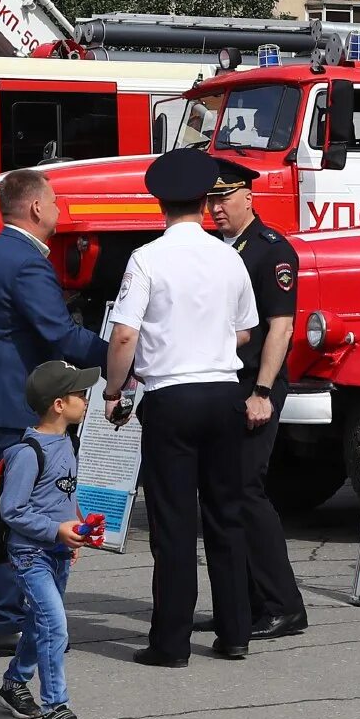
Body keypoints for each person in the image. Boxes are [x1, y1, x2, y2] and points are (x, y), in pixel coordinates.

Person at [102, 146, 256, 668]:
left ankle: (170, 642)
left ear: (160, 204)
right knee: (226, 515)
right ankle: (235, 631)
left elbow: (124, 334)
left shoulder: (148, 257)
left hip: (170, 394)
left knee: (173, 522)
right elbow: (243, 331)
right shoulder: (229, 255)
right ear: (203, 200)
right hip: (222, 390)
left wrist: (113, 391)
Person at [0, 168, 104, 654]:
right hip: (10, 403)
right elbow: (60, 334)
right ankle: (6, 622)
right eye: (55, 202)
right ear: (37, 208)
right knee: (18, 511)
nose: (60, 210)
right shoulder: (26, 262)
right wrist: (120, 352)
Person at [207, 160, 307, 638]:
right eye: (210, 200)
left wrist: (264, 391)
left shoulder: (271, 253)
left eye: (224, 198)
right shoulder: (217, 250)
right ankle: (242, 603)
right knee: (226, 491)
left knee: (247, 490)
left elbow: (281, 326)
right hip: (222, 384)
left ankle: (284, 604)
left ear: (249, 197)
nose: (216, 208)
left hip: (254, 385)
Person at [0, 360, 100, 719]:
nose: (87, 400)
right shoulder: (27, 452)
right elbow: (13, 509)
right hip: (31, 555)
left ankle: (14, 682)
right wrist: (56, 530)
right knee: (55, 626)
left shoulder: (65, 443)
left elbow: (63, 495)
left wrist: (77, 526)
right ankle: (55, 709)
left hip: (55, 552)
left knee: (41, 625)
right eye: (80, 394)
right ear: (58, 404)